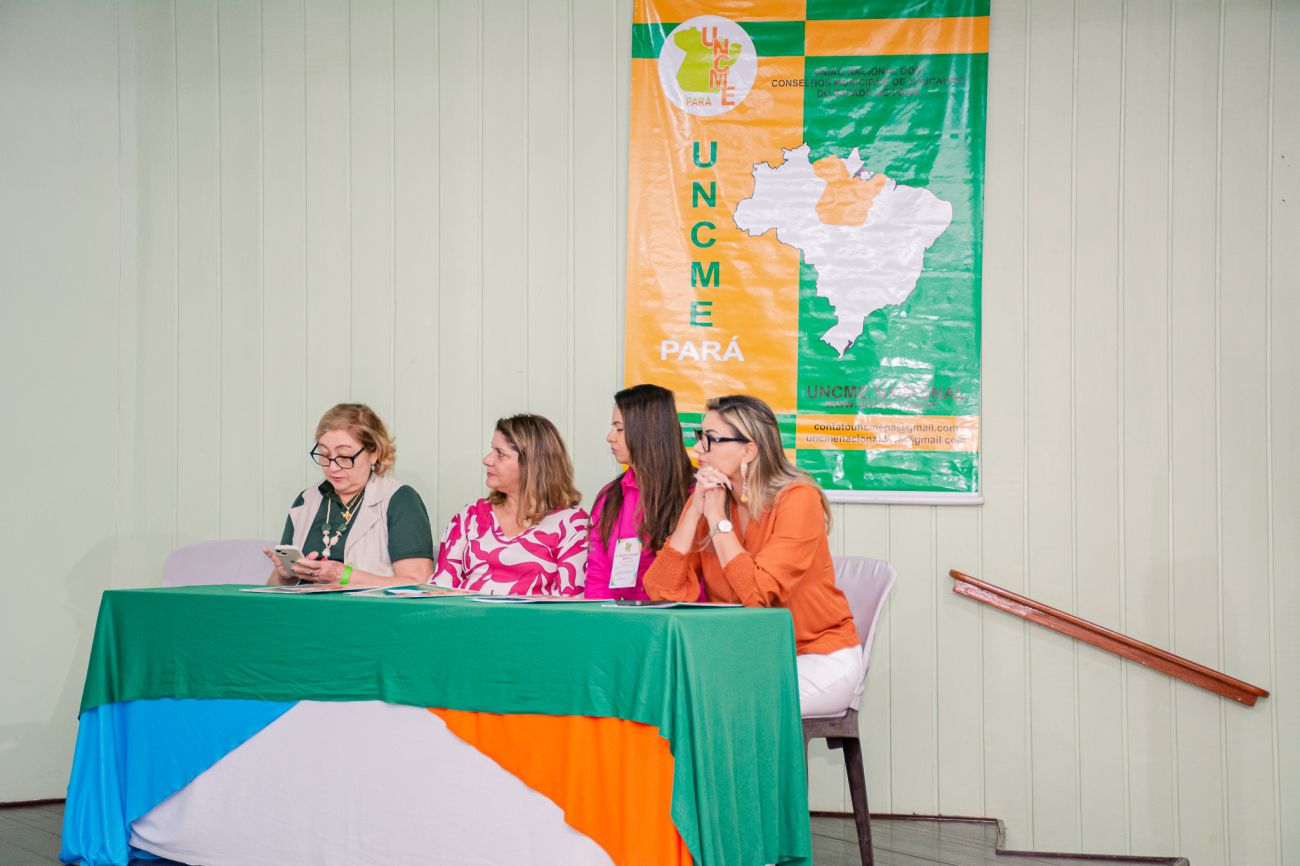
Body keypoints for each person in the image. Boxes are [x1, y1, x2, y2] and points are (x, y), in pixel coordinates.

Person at [643, 394, 863, 717]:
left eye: (710, 439)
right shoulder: (714, 500)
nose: (698, 448)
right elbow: (661, 591)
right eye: (699, 436)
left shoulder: (799, 500)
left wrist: (716, 519)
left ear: (748, 451)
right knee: (672, 697)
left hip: (817, 657)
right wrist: (693, 512)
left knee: (730, 707)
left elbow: (756, 594)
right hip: (750, 658)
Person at [265, 403, 434, 587]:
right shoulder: (306, 500)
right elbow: (274, 589)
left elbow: (418, 584)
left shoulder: (400, 500)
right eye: (324, 454)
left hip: (369, 606)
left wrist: (344, 576)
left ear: (374, 453)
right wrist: (285, 577)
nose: (332, 467)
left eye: (344, 456)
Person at [432, 413, 588, 596]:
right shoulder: (471, 516)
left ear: (532, 464)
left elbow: (570, 601)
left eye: (500, 454)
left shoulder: (572, 523)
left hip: (533, 616)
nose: (487, 460)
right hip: (466, 614)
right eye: (492, 450)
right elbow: (439, 591)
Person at [585, 384, 694, 600]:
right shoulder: (610, 497)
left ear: (647, 431)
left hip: (679, 616)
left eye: (619, 428)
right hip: (621, 617)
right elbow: (598, 577)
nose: (610, 437)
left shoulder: (696, 494)